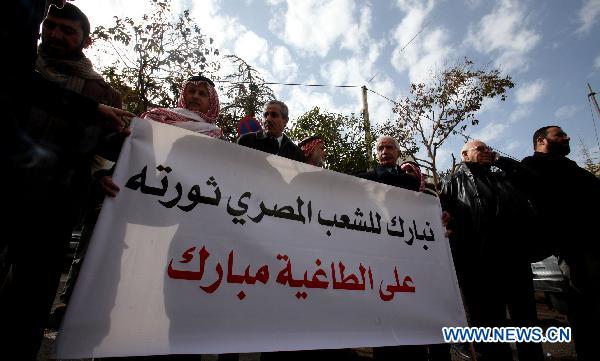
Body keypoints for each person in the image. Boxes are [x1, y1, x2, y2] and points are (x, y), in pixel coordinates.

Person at [0, 2, 133, 359]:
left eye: (67, 30)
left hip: (54, 209)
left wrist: (104, 174)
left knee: (28, 305)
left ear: (85, 42)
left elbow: (104, 152)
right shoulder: (17, 70)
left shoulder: (102, 95)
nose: (56, 34)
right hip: (3, 194)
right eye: (51, 26)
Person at [440, 140, 544, 361]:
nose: (487, 151)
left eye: (488, 148)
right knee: (490, 331)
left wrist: (502, 160)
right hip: (479, 268)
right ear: (464, 155)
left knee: (526, 326)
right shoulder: (452, 183)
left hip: (516, 264)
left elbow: (533, 180)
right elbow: (442, 218)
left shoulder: (504, 178)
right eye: (480, 149)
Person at [520, 126, 600, 361]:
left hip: (593, 242)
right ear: (542, 140)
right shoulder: (531, 166)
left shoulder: (572, 167)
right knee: (587, 307)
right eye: (560, 135)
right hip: (574, 248)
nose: (567, 137)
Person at [141, 74, 223, 138]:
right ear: (184, 96)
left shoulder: (216, 134)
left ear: (211, 103)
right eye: (191, 91)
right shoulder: (159, 116)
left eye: (202, 94)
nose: (195, 96)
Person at [237, 100, 305, 162]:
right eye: (265, 115)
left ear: (285, 120)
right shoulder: (246, 141)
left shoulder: (296, 152)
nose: (268, 119)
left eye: (274, 115)